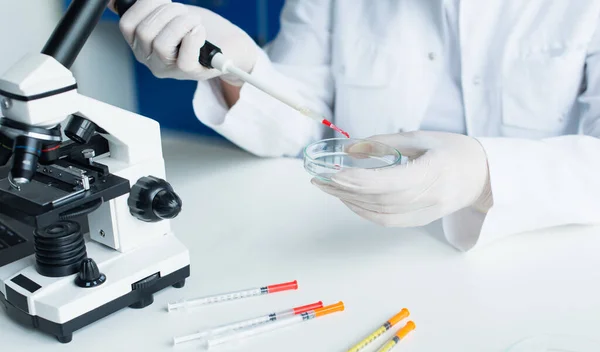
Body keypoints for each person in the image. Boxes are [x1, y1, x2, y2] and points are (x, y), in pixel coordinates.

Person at [109, 0, 600, 251]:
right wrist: (238, 67)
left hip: (532, 252)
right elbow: (302, 122)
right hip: (350, 241)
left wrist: (484, 173)